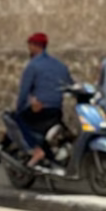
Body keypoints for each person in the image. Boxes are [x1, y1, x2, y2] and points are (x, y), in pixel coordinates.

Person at [15, 33, 72, 167]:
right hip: (56, 111)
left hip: (40, 111)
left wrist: (19, 108)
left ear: (35, 47)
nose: (29, 49)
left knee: (18, 119)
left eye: (30, 46)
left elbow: (24, 92)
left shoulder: (33, 65)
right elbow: (70, 86)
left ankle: (37, 150)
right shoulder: (60, 66)